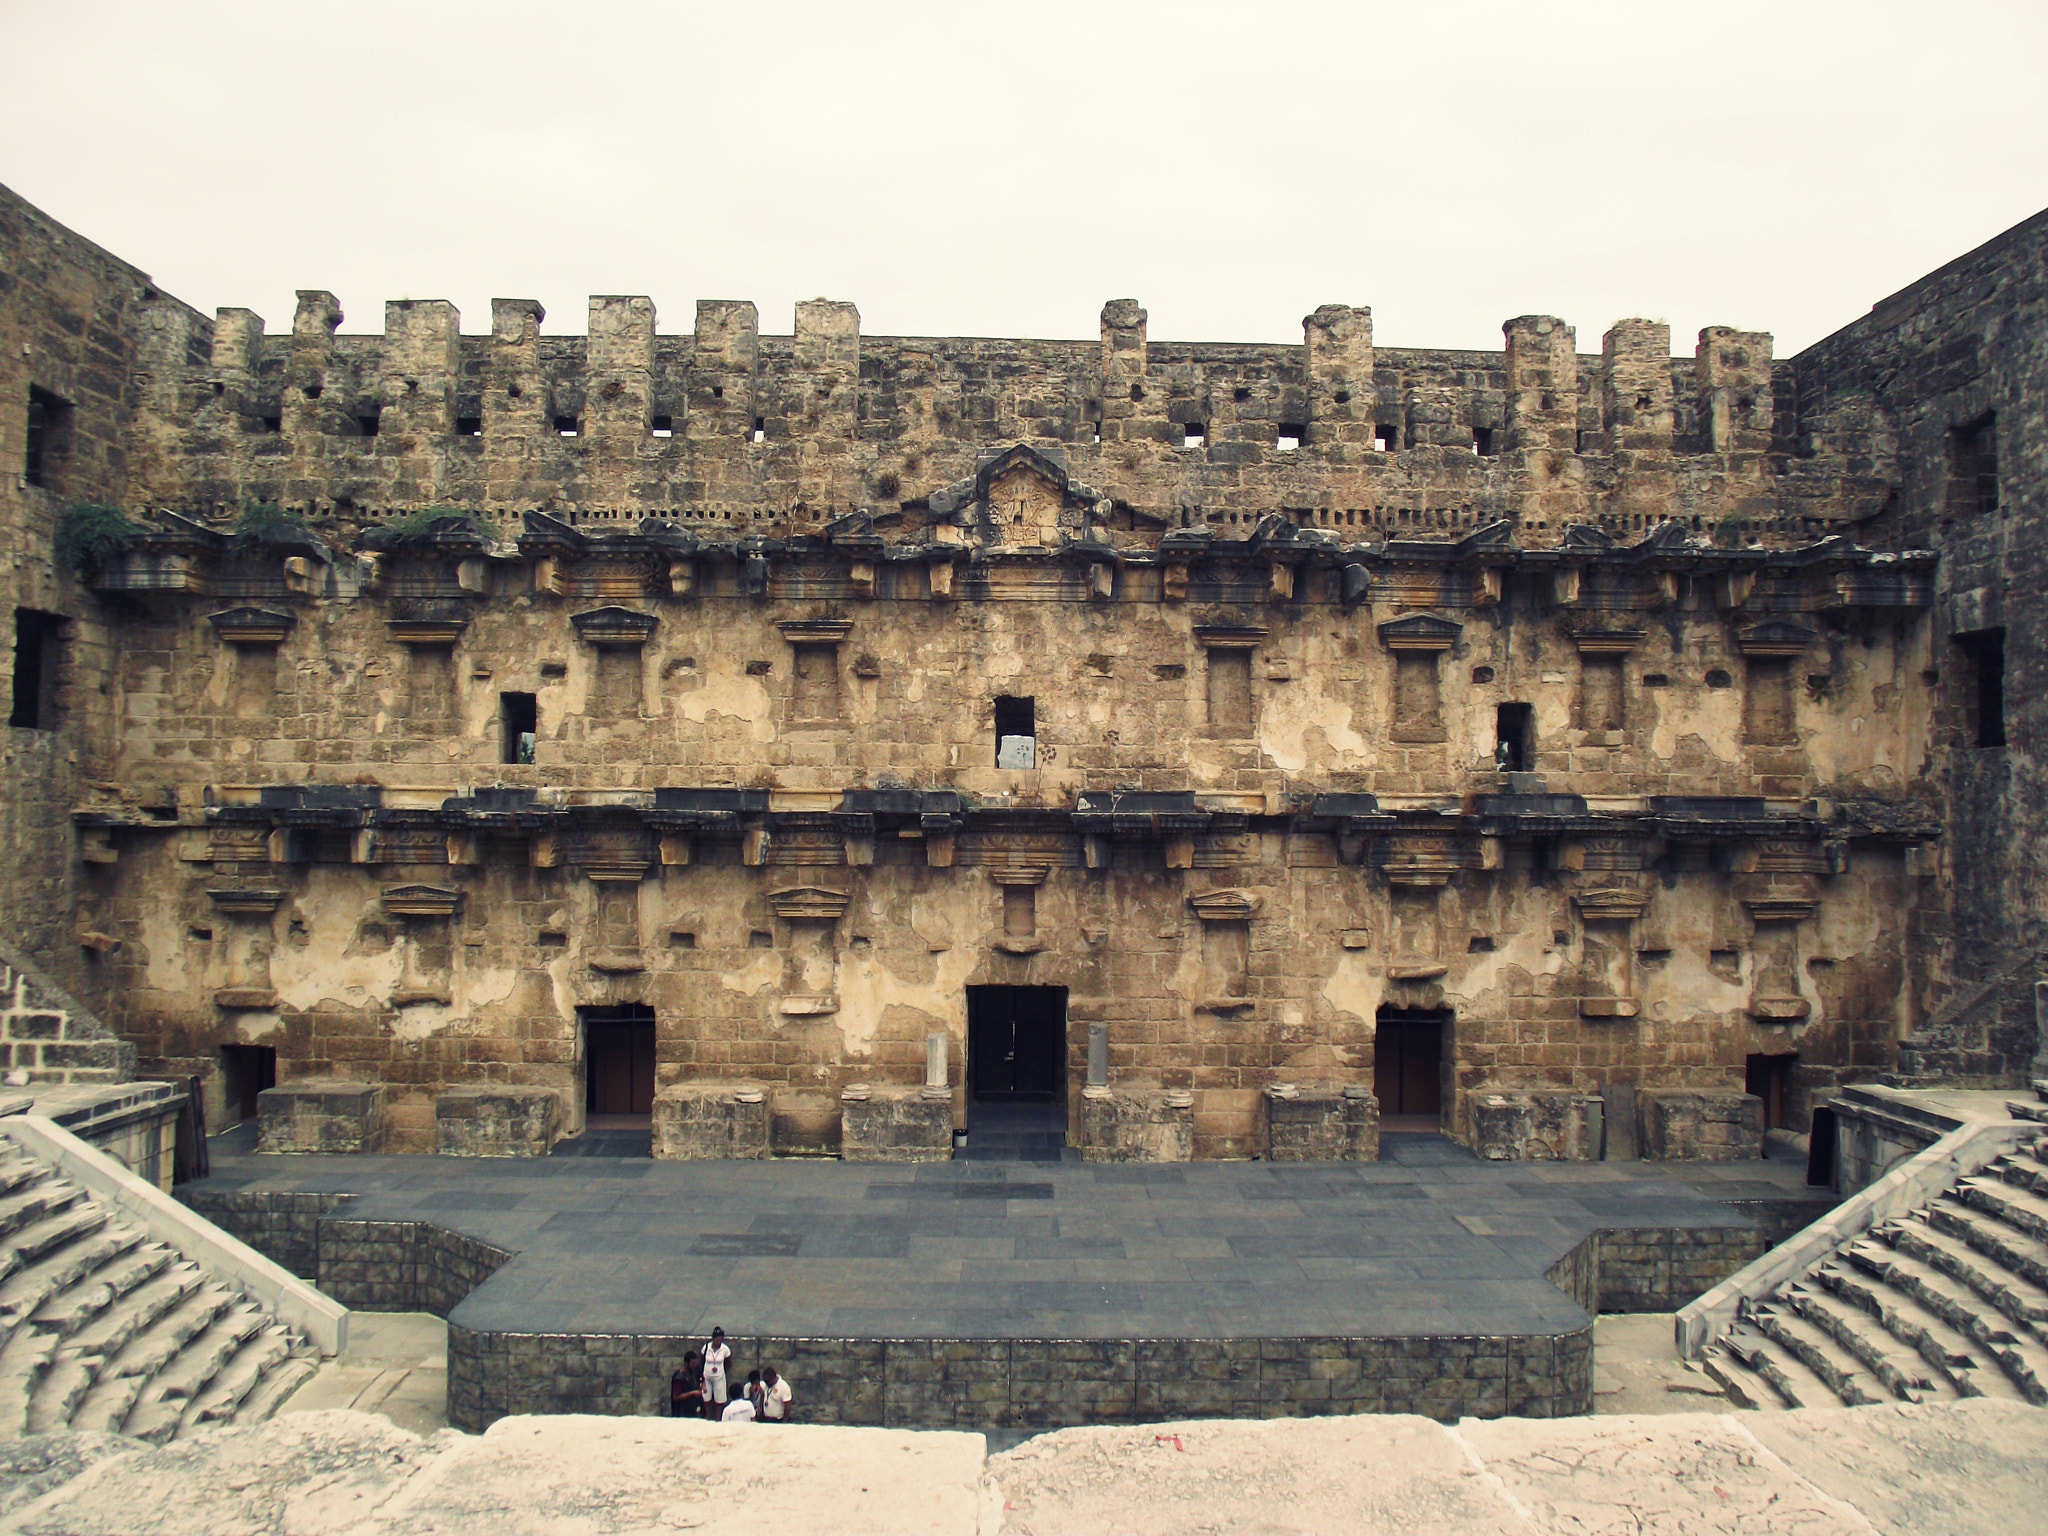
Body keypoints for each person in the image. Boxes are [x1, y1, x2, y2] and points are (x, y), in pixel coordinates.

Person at [701, 1327, 731, 1420]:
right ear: (713, 1339)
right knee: (706, 1399)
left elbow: (727, 1363)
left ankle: (718, 1419)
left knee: (719, 1401)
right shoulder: (706, 1347)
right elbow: (702, 1361)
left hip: (719, 1377)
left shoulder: (725, 1349)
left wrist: (721, 1372)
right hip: (707, 1377)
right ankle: (706, 1418)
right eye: (717, 1340)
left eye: (720, 1340)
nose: (718, 1342)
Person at [669, 1352, 705, 1419]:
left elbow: (702, 1379)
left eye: (695, 1363)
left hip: (695, 1406)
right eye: (692, 1364)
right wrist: (692, 1393)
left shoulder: (696, 1370)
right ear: (686, 1363)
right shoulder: (679, 1377)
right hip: (683, 1410)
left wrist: (703, 1386)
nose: (695, 1365)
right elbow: (676, 1397)